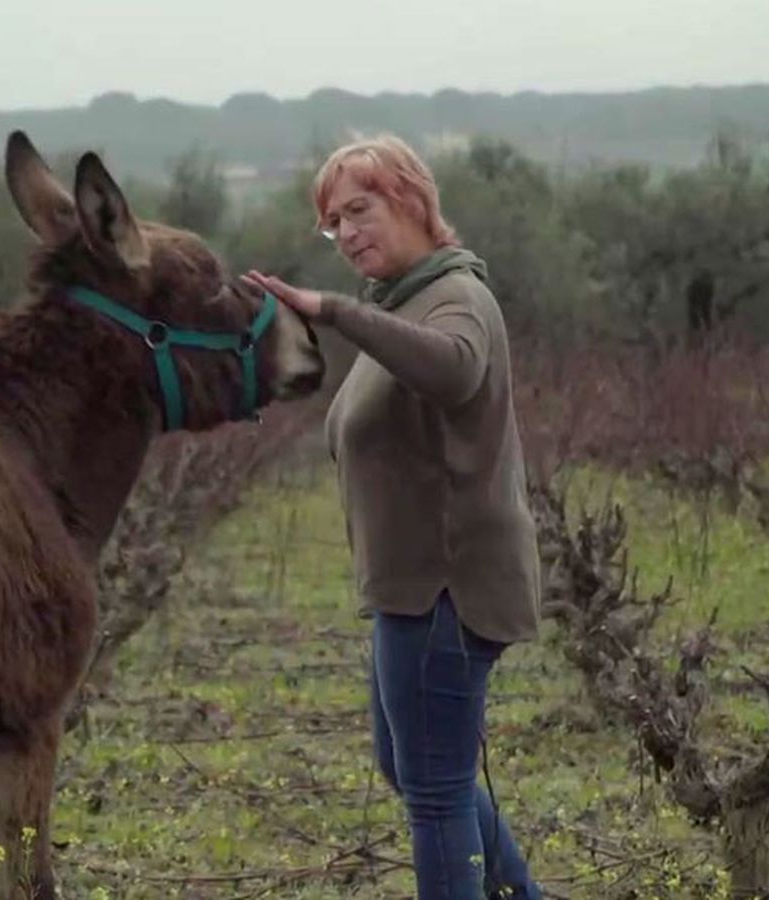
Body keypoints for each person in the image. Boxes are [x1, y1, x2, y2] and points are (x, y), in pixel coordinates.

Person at [241, 134, 543, 900]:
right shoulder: (407, 302)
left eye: (359, 210)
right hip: (411, 590)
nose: (345, 233)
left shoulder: (457, 299)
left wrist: (333, 311)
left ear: (410, 199)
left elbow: (452, 368)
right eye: (333, 222)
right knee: (409, 768)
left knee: (436, 791)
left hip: (446, 590)